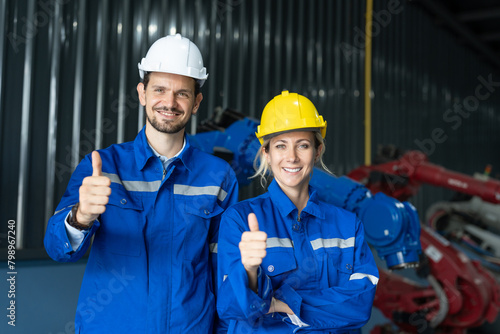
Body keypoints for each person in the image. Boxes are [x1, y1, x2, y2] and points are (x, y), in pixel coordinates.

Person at [44, 34, 239, 333]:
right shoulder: (103, 166)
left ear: (197, 102)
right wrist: (80, 217)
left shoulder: (218, 176)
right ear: (142, 93)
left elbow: (224, 268)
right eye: (159, 89)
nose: (169, 103)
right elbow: (57, 249)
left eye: (182, 93)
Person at [216, 91, 379, 333]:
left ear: (318, 151)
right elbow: (231, 309)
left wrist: (289, 306)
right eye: (281, 146)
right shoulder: (240, 220)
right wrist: (249, 271)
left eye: (302, 145)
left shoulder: (348, 225)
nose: (291, 157)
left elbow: (360, 303)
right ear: (266, 154)